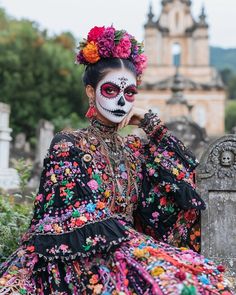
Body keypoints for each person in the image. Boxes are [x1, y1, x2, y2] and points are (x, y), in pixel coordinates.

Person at [0, 26, 232, 295]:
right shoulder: (69, 144)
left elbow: (190, 178)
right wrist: (145, 255)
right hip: (76, 263)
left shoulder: (134, 149)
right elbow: (79, 225)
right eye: (110, 90)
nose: (122, 101)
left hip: (127, 253)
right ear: (90, 91)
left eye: (130, 93)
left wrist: (151, 124)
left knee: (210, 281)